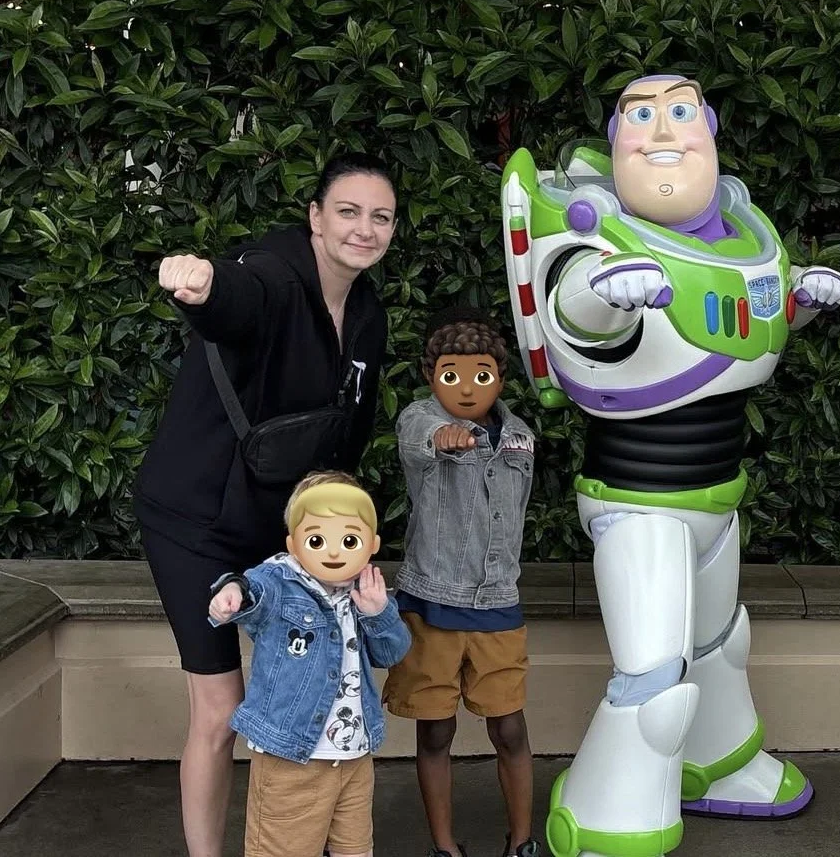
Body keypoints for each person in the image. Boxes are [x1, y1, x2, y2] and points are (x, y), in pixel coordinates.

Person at [498, 74, 840, 857]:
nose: (662, 128)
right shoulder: (595, 237)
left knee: (720, 642)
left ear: (710, 128)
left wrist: (799, 300)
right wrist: (607, 294)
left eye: (680, 111)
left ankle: (717, 763)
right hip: (638, 503)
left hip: (716, 495)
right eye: (641, 115)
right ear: (615, 139)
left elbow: (745, 314)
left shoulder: (740, 231)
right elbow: (573, 313)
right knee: (653, 675)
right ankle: (603, 819)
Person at [132, 151, 395, 857]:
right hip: (195, 521)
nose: (363, 229)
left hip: (285, 527)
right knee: (219, 709)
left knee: (308, 686)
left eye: (380, 217)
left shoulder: (366, 314)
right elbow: (237, 299)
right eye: (347, 211)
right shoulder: (274, 273)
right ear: (315, 217)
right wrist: (202, 284)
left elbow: (347, 436)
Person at [382, 308, 539, 857]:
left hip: (498, 605)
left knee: (510, 729)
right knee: (435, 731)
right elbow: (422, 440)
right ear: (432, 375)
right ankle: (444, 847)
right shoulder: (419, 420)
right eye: (451, 375)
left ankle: (522, 842)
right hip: (432, 606)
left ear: (500, 376)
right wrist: (446, 438)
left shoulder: (519, 437)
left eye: (482, 374)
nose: (467, 389)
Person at [208, 471, 411, 857]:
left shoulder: (365, 587)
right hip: (291, 760)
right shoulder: (280, 580)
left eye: (348, 540)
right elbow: (252, 589)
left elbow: (392, 653)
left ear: (371, 544)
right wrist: (231, 592)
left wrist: (378, 613)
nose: (333, 552)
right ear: (294, 544)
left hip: (354, 758)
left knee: (355, 850)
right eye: (317, 540)